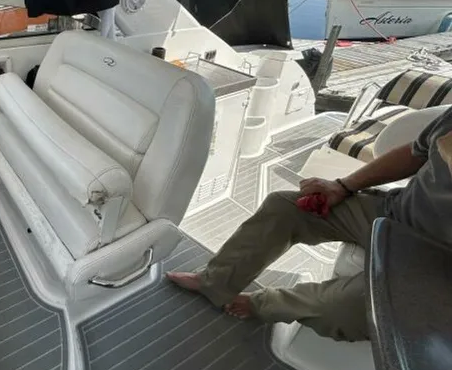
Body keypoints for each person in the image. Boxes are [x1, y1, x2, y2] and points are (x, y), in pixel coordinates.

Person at [168, 106, 452, 342]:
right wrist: (342, 185)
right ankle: (215, 282)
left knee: (340, 310)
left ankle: (260, 304)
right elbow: (416, 152)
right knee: (284, 207)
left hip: (438, 261)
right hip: (396, 213)